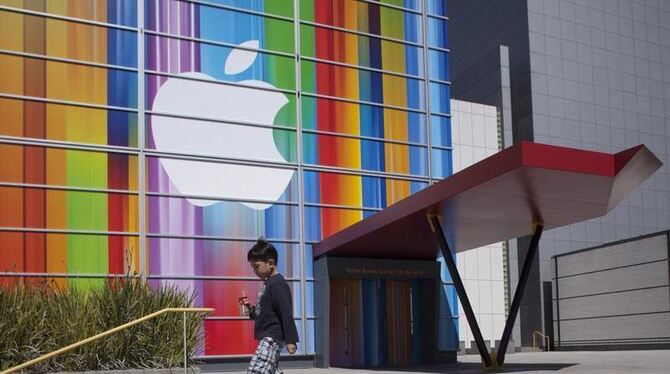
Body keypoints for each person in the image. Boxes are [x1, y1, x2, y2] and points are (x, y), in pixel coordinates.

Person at [241, 238, 298, 374]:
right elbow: (263, 312)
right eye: (252, 267)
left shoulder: (277, 284)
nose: (255, 271)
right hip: (268, 337)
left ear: (271, 263)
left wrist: (291, 340)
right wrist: (250, 310)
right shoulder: (268, 283)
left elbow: (286, 311)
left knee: (256, 370)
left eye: (257, 266)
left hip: (272, 337)